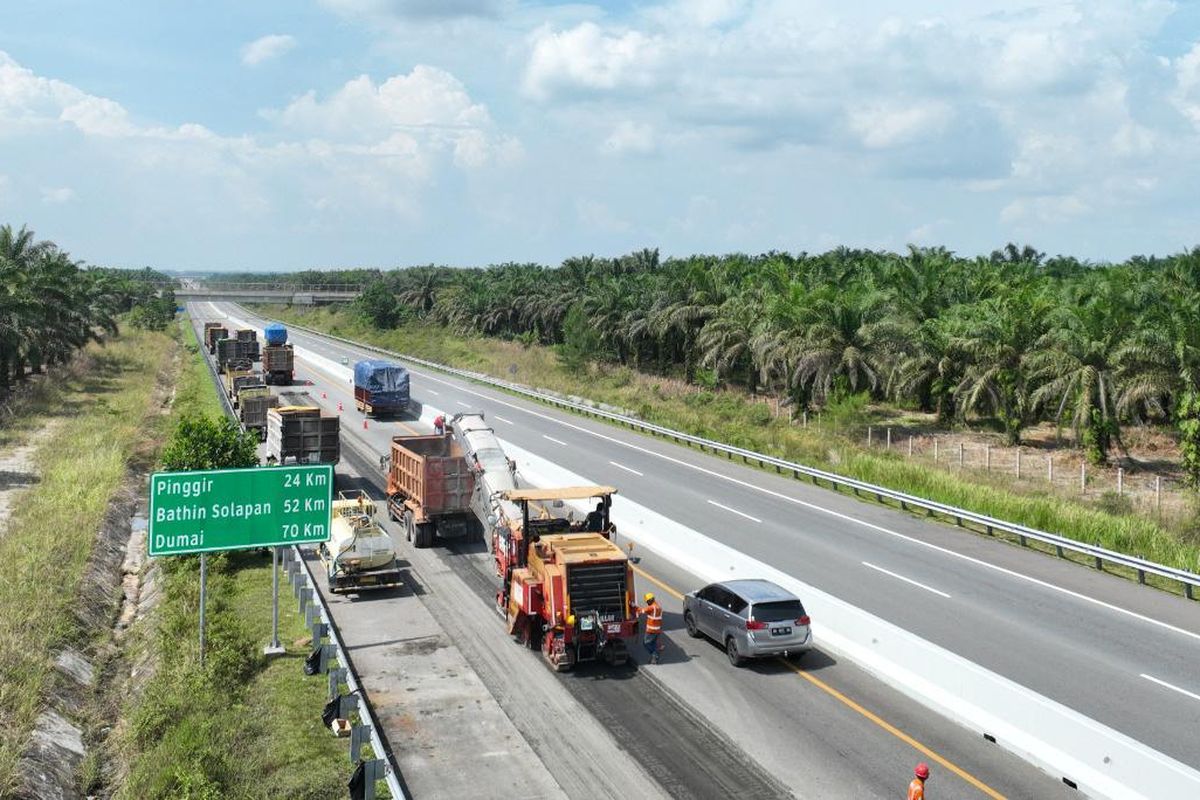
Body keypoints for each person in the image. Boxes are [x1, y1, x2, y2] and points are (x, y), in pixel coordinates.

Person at [633, 592, 663, 664]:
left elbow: (641, 611)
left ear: (650, 600)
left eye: (647, 601)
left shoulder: (651, 608)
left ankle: (655, 654)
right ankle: (654, 657)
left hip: (651, 630)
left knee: (646, 643)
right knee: (652, 643)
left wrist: (634, 606)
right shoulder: (658, 607)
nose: (647, 603)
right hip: (657, 630)